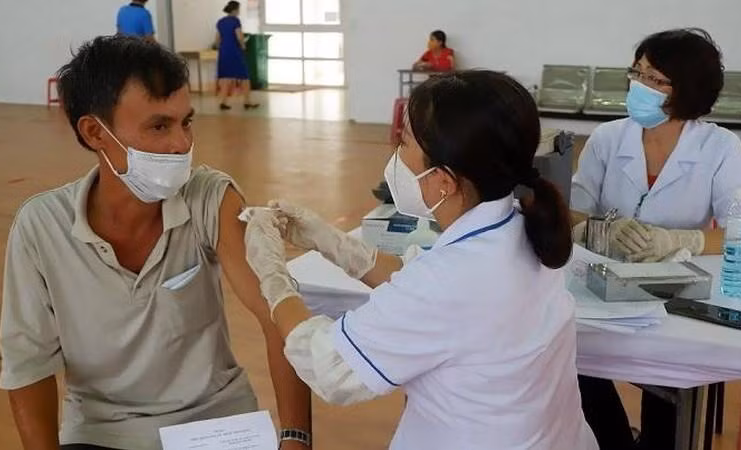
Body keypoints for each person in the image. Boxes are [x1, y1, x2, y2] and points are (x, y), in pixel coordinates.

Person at [241, 70, 599, 450]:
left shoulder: (451, 278)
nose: (395, 154)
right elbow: (421, 287)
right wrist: (330, 242)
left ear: (444, 181)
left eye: (404, 142)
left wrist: (273, 277)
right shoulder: (521, 227)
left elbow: (332, 367)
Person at [0, 36, 310, 450]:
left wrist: (295, 438)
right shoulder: (41, 227)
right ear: (94, 132)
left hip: (216, 424)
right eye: (159, 126)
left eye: (186, 122)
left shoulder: (210, 199)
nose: (182, 143)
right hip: (102, 433)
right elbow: (27, 364)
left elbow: (277, 317)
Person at [570, 28, 741, 450]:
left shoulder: (721, 148)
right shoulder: (608, 139)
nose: (639, 86)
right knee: (570, 357)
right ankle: (616, 441)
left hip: (677, 292)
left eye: (655, 80)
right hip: (602, 284)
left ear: (687, 90)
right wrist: (599, 229)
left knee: (666, 382)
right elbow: (571, 211)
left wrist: (680, 240)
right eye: (637, 73)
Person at [215, 1, 258, 110]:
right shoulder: (235, 21)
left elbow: (217, 40)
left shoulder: (220, 22)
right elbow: (239, 36)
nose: (239, 11)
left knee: (225, 78)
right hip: (234, 51)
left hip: (223, 52)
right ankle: (247, 102)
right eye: (238, 9)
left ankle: (223, 102)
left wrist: (221, 47)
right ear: (235, 10)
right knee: (244, 77)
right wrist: (243, 45)